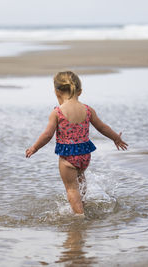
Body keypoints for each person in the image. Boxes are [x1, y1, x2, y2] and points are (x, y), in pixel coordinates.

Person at [25, 71, 128, 215]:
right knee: (80, 180)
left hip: (68, 156)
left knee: (71, 188)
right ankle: (82, 205)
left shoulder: (57, 112)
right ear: (79, 91)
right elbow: (102, 127)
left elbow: (48, 134)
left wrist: (34, 147)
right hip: (85, 155)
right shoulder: (87, 109)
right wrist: (116, 138)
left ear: (57, 91)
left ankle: (79, 217)